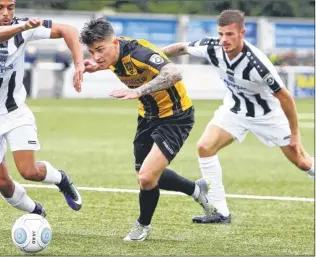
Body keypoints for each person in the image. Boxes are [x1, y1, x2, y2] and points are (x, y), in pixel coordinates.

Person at [162, 9, 314, 224]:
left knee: (301, 161)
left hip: (267, 116)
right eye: (221, 34)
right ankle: (221, 212)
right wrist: (153, 55)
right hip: (234, 110)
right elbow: (182, 48)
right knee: (205, 147)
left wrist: (295, 134)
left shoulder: (257, 65)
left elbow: (286, 97)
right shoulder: (212, 47)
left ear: (242, 33)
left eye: (230, 34)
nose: (224, 39)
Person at [80, 18, 214, 241]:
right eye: (92, 52)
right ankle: (196, 189)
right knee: (148, 177)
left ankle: (143, 225)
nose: (96, 56)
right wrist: (96, 66)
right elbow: (115, 60)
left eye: (100, 50)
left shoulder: (136, 52)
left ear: (114, 42)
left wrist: (139, 90)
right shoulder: (111, 54)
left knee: (146, 177)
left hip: (175, 116)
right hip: (147, 117)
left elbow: (174, 73)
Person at [0, 0, 85, 217]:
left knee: (29, 171)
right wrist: (23, 27)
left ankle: (61, 179)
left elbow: (69, 30)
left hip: (13, 112)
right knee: (4, 185)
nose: (6, 12)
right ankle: (36, 211)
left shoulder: (24, 27)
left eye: (11, 7)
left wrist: (78, 63)